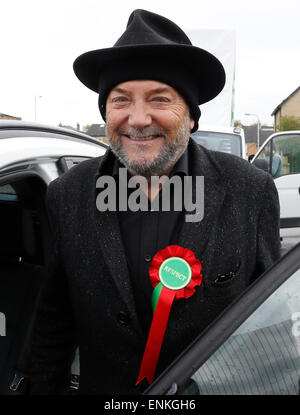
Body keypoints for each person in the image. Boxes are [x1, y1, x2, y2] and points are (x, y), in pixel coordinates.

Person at [23, 9, 280, 395]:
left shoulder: (250, 191)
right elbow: (53, 324)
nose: (138, 118)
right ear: (106, 112)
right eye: (121, 99)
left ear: (191, 117)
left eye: (160, 98)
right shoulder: (67, 194)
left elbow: (269, 326)